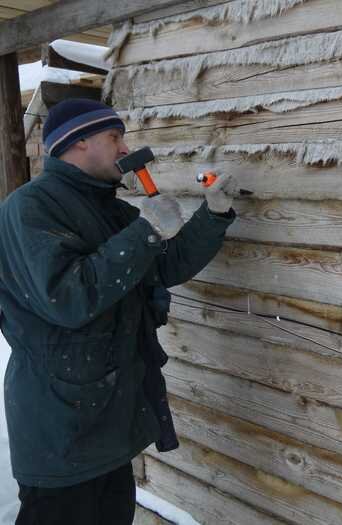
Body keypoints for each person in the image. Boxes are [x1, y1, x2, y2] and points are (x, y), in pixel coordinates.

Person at [0, 98, 236, 524]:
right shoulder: (30, 208)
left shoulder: (109, 207)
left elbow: (163, 265)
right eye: (115, 137)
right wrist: (145, 231)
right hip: (61, 428)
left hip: (109, 419)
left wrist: (213, 216)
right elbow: (68, 299)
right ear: (78, 143)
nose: (126, 149)